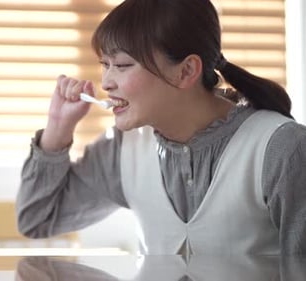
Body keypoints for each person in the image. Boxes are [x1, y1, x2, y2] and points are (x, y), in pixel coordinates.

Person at [15, 0, 306, 255]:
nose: (105, 82)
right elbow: (37, 220)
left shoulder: (282, 149)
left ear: (186, 71)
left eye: (123, 65)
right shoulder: (122, 147)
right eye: (105, 64)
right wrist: (57, 127)